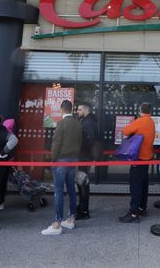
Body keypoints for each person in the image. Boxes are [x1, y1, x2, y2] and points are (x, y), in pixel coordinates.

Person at [42, 100, 83, 235]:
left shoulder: (61, 124)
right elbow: (80, 142)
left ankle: (57, 224)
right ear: (71, 109)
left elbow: (56, 144)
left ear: (61, 110)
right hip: (74, 160)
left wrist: (52, 160)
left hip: (61, 160)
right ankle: (71, 219)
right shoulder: (78, 123)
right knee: (71, 189)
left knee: (58, 191)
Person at [119, 103, 156, 223]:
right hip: (147, 158)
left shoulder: (140, 121)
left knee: (135, 185)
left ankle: (133, 213)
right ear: (150, 111)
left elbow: (125, 131)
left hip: (138, 158)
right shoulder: (151, 121)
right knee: (144, 184)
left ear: (140, 111)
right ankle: (142, 207)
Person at [77, 102, 101, 220]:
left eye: (80, 109)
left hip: (85, 157)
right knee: (82, 183)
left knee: (83, 184)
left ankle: (84, 210)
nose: (78, 111)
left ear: (86, 110)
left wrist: (79, 146)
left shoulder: (88, 122)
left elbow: (90, 140)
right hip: (85, 156)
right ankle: (82, 207)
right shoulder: (89, 121)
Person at [0, 118, 18, 211]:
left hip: (1, 163)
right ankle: (1, 202)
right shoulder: (12, 136)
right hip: (7, 163)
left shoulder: (6, 136)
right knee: (3, 183)